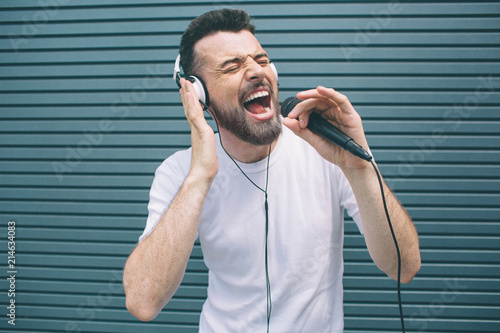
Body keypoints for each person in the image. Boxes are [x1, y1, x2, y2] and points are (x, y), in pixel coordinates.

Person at [123, 8, 421, 332]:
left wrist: (360, 169)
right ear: (199, 95)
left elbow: (403, 267)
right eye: (232, 66)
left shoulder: (324, 150)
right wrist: (200, 178)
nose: (255, 71)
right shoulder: (180, 172)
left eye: (261, 60)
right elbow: (143, 301)